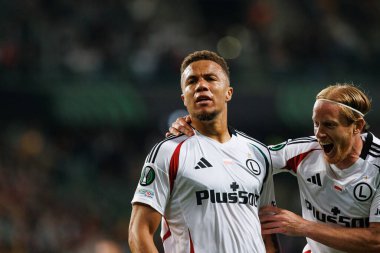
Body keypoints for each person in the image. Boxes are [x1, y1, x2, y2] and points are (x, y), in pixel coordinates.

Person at [167, 83, 380, 253]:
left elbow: (376, 241)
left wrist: (302, 226)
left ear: (357, 126)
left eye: (330, 125)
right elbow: (245, 157)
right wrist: (200, 130)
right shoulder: (306, 151)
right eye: (316, 124)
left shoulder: (376, 167)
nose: (319, 134)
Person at [128, 50, 278, 253]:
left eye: (210, 78)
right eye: (192, 81)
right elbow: (139, 232)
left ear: (228, 92)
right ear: (184, 98)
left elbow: (268, 235)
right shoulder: (168, 152)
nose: (201, 86)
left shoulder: (259, 153)